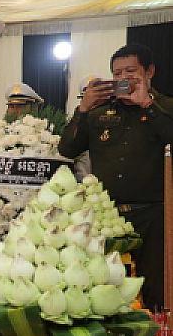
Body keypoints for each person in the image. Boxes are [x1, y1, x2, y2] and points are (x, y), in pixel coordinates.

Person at [59, 43, 173, 314]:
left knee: (156, 289)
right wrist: (83, 109)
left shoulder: (166, 107)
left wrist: (147, 105)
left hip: (154, 215)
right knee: (105, 288)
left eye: (131, 71)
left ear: (149, 71)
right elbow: (67, 149)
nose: (123, 78)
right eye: (117, 73)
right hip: (107, 216)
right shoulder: (99, 111)